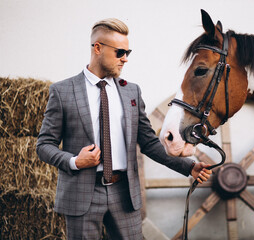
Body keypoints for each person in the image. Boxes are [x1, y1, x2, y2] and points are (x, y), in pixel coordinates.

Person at [36, 18, 212, 240]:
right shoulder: (62, 91)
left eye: (128, 52)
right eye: (120, 52)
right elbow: (44, 145)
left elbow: (149, 143)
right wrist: (74, 161)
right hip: (81, 195)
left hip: (124, 194)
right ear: (98, 48)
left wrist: (189, 167)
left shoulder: (132, 92)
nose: (125, 59)